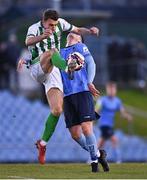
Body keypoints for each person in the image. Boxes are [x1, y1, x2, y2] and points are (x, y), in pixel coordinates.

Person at [17, 9, 99, 164]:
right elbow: (27, 42)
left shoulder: (61, 23)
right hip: (38, 67)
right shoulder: (34, 29)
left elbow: (77, 29)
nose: (53, 28)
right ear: (44, 21)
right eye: (50, 25)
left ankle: (42, 144)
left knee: (57, 110)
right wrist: (42, 36)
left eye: (55, 25)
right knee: (52, 51)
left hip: (54, 68)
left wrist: (89, 31)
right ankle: (68, 67)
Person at [60, 32, 109, 173]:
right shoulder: (59, 52)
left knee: (87, 129)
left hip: (82, 92)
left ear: (80, 39)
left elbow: (91, 63)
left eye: (76, 34)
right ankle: (99, 154)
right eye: (71, 32)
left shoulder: (81, 47)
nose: (72, 33)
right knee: (75, 134)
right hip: (67, 96)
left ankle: (94, 163)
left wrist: (89, 82)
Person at [95, 82, 133, 163]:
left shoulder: (117, 101)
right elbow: (96, 110)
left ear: (115, 90)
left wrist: (127, 117)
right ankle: (118, 159)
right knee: (114, 140)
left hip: (110, 125)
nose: (111, 91)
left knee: (101, 143)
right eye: (110, 89)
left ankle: (93, 158)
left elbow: (122, 112)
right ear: (107, 90)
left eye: (113, 89)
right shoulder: (102, 100)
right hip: (103, 124)